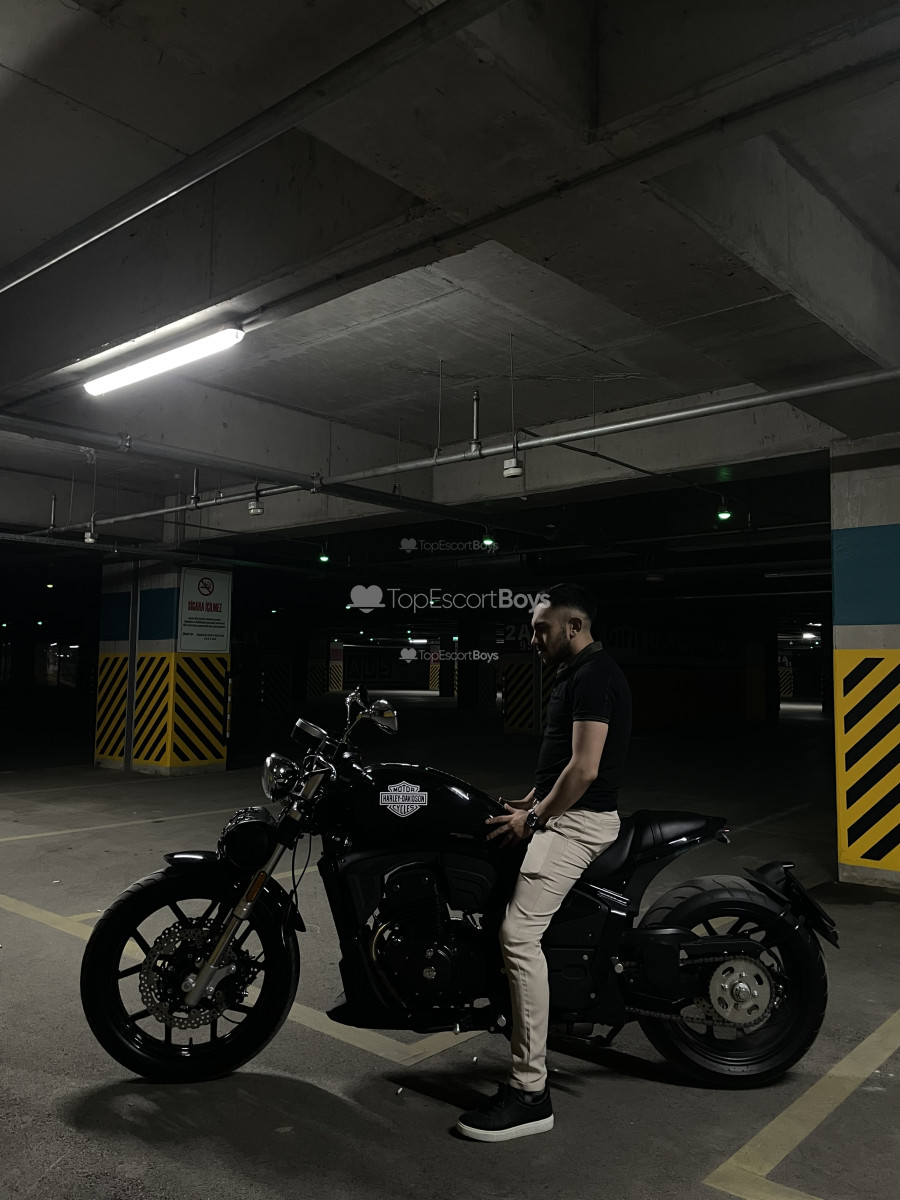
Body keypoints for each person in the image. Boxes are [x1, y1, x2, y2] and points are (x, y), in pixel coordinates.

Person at [456, 582, 632, 1142]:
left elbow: (584, 769)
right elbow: (559, 765)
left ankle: (530, 1092)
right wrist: (528, 804)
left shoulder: (595, 677)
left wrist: (534, 820)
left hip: (580, 823)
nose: (533, 639)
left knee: (518, 935)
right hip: (561, 813)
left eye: (541, 629)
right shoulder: (575, 673)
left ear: (574, 626)